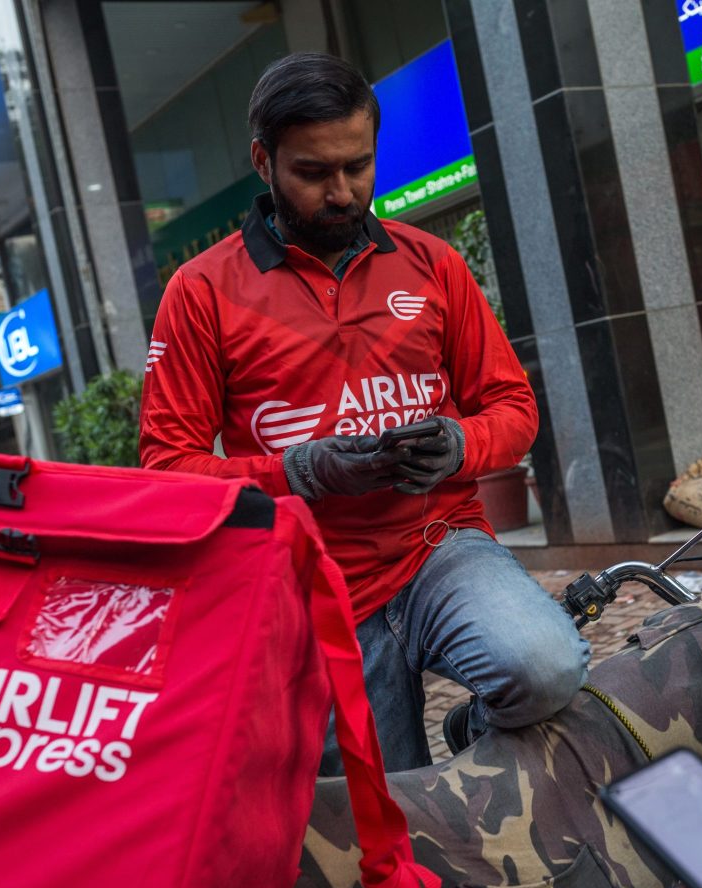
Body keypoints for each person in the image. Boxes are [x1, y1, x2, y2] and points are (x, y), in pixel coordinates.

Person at [138, 52, 588, 774]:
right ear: (264, 160)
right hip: (310, 581)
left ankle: (476, 727)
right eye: (314, 173)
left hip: (442, 547)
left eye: (359, 166)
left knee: (544, 670)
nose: (343, 193)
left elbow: (513, 408)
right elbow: (168, 470)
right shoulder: (200, 293)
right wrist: (301, 470)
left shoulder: (432, 263)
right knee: (383, 814)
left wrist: (458, 445)